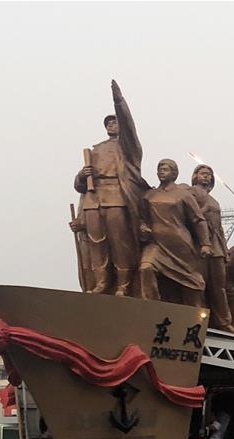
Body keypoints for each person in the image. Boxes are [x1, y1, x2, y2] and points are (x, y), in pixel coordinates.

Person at [71, 80, 149, 297]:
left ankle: (124, 285)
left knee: (119, 243)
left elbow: (129, 126)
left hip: (117, 197)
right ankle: (102, 283)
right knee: (97, 245)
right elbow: (79, 186)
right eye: (109, 123)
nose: (112, 125)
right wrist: (81, 176)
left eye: (115, 122)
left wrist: (119, 102)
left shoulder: (128, 147)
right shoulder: (96, 150)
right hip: (93, 199)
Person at [138, 160, 213, 305]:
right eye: (159, 169)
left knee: (192, 281)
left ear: (174, 173)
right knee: (146, 268)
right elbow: (141, 217)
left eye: (165, 169)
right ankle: (151, 308)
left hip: (179, 243)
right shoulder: (148, 195)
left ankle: (196, 313)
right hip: (156, 243)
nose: (161, 172)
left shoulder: (183, 195)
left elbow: (198, 220)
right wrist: (142, 226)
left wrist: (205, 244)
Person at [190, 165, 234, 332]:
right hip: (199, 245)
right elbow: (188, 216)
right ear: (195, 176)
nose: (207, 177)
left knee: (219, 286)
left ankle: (224, 322)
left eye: (209, 175)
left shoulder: (214, 201)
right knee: (199, 283)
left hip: (216, 247)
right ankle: (197, 319)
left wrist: (225, 250)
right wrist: (204, 210)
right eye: (203, 174)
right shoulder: (191, 193)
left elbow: (220, 228)